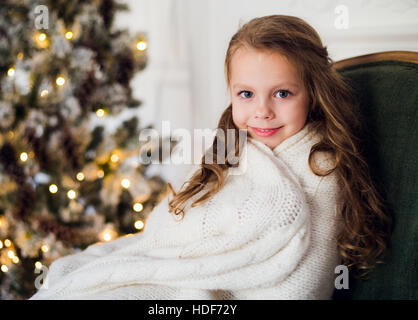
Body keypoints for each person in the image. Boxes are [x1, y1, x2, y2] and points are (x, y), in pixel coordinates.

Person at [30, 15, 392, 300]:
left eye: (282, 93)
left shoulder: (321, 165)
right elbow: (176, 223)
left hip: (228, 289)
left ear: (312, 94)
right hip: (182, 270)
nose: (261, 111)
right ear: (231, 92)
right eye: (246, 94)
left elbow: (302, 281)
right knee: (74, 279)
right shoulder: (231, 146)